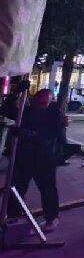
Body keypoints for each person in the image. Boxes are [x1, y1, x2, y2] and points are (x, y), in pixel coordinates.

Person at [7, 89, 62, 231]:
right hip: (24, 157)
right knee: (17, 188)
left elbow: (48, 135)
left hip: (44, 158)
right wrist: (16, 92)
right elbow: (6, 110)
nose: (41, 103)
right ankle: (13, 217)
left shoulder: (54, 114)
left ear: (50, 101)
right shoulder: (26, 111)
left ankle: (51, 218)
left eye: (45, 100)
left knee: (47, 189)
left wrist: (25, 133)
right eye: (39, 99)